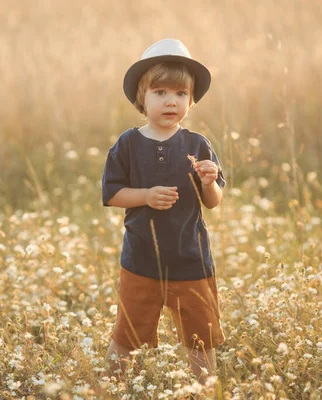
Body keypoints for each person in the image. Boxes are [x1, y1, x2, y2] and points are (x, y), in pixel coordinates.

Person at [101, 38, 226, 384]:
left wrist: (209, 181)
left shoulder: (197, 144)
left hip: (191, 261)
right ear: (142, 97)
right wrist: (145, 195)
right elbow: (112, 195)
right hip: (141, 261)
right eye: (160, 92)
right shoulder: (128, 143)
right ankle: (112, 388)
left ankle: (205, 390)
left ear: (191, 99)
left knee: (200, 341)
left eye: (180, 94)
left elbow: (214, 202)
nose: (171, 101)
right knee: (126, 339)